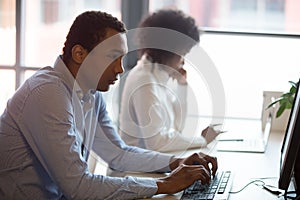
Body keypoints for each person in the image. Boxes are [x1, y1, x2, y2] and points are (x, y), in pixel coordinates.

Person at [0, 10, 218, 199]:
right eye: (112, 57)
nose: (120, 69)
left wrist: (175, 163)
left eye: (122, 59)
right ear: (79, 54)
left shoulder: (90, 94)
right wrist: (164, 184)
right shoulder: (47, 93)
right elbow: (78, 187)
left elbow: (118, 154)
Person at [119, 9, 219, 152]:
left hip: (150, 163)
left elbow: (176, 129)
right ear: (168, 50)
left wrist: (182, 85)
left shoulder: (158, 75)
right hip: (135, 169)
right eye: (182, 54)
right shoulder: (144, 80)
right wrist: (202, 141)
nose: (183, 61)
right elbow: (157, 143)